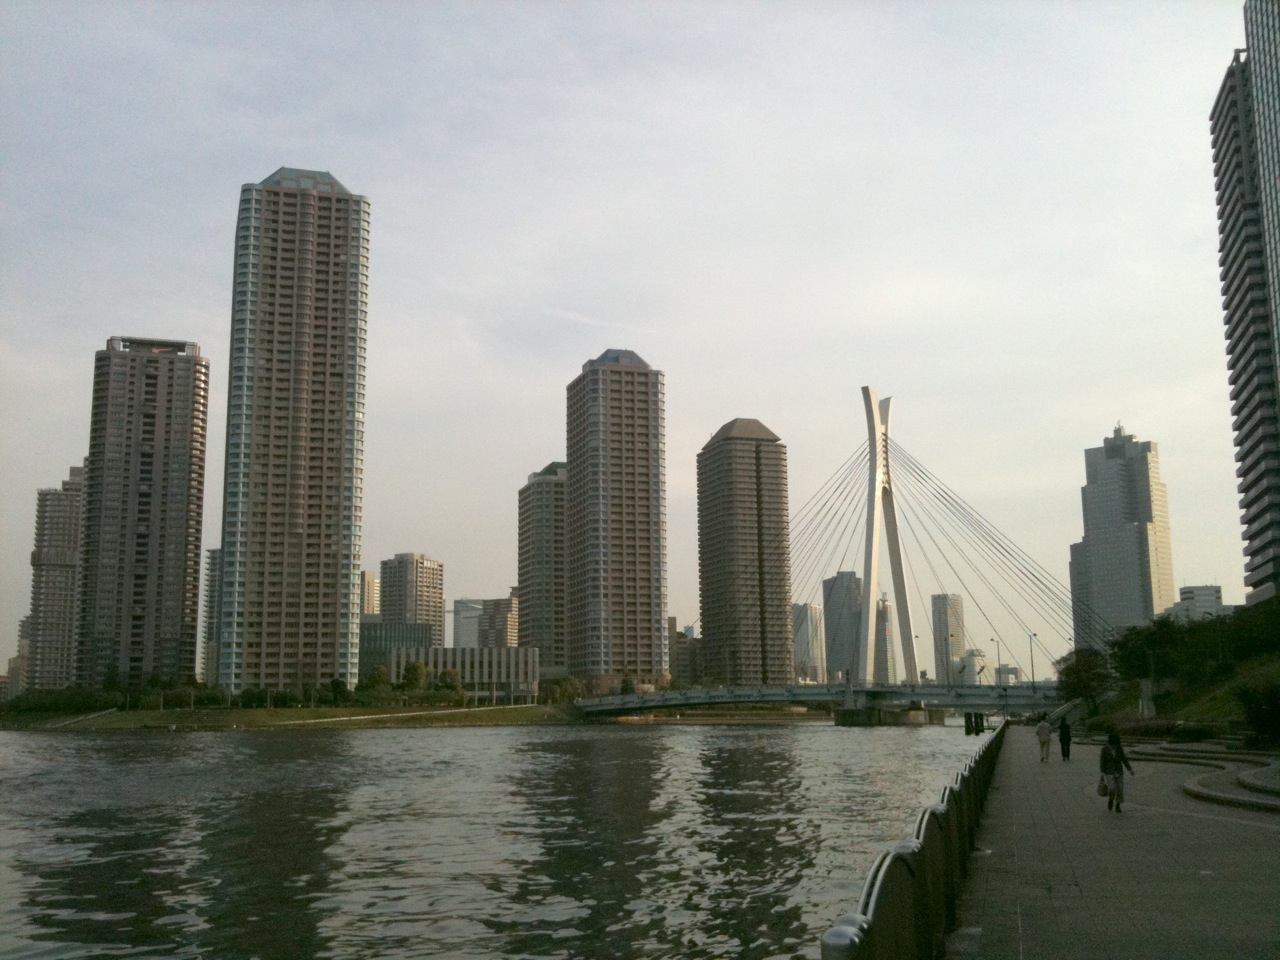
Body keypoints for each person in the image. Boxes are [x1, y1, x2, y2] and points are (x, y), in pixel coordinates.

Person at [1100, 732, 1135, 812]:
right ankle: (1111, 799)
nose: (1115, 746)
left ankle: (1118, 805)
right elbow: (1102, 761)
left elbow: (1124, 759)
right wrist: (1102, 771)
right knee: (1112, 788)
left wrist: (1130, 769)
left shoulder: (1119, 748)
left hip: (1119, 771)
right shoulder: (1104, 749)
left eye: (1116, 744)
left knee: (1120, 788)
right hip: (1109, 771)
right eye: (1114, 744)